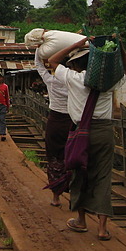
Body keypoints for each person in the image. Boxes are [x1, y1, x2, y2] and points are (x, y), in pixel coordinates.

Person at [48, 36, 126, 241]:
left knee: (80, 174)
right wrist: (120, 48)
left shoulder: (74, 79)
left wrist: (77, 44)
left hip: (80, 133)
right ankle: (102, 228)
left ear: (77, 64)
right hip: (104, 132)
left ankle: (81, 221)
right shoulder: (108, 81)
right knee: (103, 176)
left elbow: (52, 61)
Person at [34, 47, 73, 207]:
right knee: (73, 158)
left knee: (54, 159)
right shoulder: (75, 80)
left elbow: (39, 64)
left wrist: (39, 48)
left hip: (56, 121)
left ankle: (56, 197)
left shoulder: (51, 79)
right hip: (74, 121)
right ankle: (75, 198)